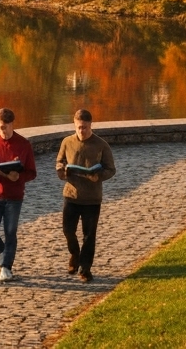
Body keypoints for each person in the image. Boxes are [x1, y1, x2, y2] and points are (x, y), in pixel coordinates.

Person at [56, 109, 116, 283]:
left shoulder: (101, 145)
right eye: (79, 127)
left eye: (85, 127)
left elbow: (111, 169)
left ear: (91, 125)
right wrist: (62, 170)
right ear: (74, 125)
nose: (81, 131)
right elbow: (60, 162)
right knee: (68, 230)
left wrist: (98, 176)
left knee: (89, 235)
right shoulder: (67, 142)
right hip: (71, 195)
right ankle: (74, 254)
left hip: (92, 198)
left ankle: (85, 269)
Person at [0, 108, 37, 282]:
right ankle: (1, 252)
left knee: (10, 232)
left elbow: (32, 172)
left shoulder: (24, 144)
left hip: (14, 196)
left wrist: (19, 176)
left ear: (12, 124)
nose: (2, 131)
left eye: (5, 127)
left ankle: (6, 268)